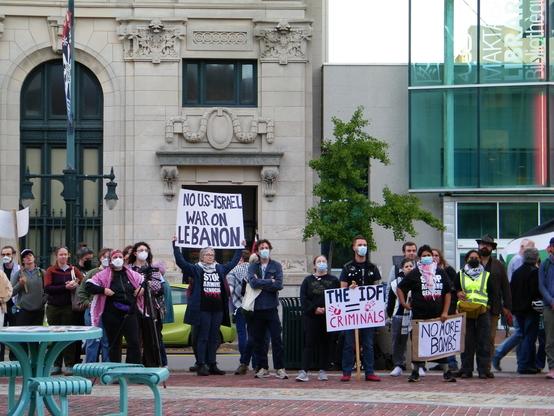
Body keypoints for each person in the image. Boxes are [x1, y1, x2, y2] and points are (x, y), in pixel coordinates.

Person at [173, 236, 243, 376]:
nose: (210, 257)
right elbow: (181, 262)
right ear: (201, 257)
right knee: (203, 337)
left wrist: (240, 248)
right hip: (202, 309)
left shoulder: (220, 269)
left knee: (214, 338)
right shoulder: (196, 269)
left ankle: (212, 363)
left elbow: (233, 262)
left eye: (212, 254)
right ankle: (201, 364)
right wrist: (175, 245)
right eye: (207, 254)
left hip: (217, 309)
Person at [397, 244, 456, 383]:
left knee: (440, 344)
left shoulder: (440, 272)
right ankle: (416, 371)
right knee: (418, 344)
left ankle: (447, 371)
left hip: (438, 316)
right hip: (419, 316)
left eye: (429, 255)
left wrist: (446, 311)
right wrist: (403, 303)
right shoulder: (415, 273)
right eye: (424, 256)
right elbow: (400, 287)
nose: (427, 258)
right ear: (419, 258)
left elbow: (447, 292)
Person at [85, 249, 144, 364]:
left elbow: (144, 282)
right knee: (114, 344)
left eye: (120, 257)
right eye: (115, 257)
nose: (118, 259)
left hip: (130, 313)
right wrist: (104, 290)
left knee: (134, 342)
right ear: (111, 260)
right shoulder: (104, 274)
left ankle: (134, 369)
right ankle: (115, 370)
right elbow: (89, 285)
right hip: (112, 314)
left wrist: (142, 289)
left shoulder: (131, 273)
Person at [339, 235, 382, 382]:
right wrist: (350, 290)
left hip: (368, 313)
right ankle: (346, 371)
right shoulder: (347, 267)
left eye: (365, 244)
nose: (362, 247)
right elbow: (342, 289)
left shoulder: (373, 268)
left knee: (369, 343)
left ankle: (369, 371)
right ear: (354, 247)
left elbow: (377, 289)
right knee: (349, 343)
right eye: (360, 244)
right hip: (352, 312)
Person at [247, 239, 288, 380]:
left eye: (266, 247)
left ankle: (280, 368)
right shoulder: (253, 266)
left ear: (270, 249)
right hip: (257, 308)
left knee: (277, 339)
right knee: (259, 341)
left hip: (271, 307)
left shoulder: (276, 266)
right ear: (257, 251)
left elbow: (278, 284)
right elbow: (252, 283)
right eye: (261, 248)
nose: (264, 250)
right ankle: (262, 367)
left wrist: (262, 283)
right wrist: (268, 281)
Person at [296, 255, 339, 382]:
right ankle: (304, 371)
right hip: (311, 317)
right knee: (309, 343)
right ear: (314, 265)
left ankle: (322, 370)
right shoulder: (307, 281)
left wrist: (328, 309)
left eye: (323, 261)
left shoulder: (333, 280)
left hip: (328, 317)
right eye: (319, 261)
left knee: (326, 343)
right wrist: (314, 309)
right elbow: (303, 298)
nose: (321, 263)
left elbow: (338, 297)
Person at [476, 234, 512, 377]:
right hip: (474, 307)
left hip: (493, 308)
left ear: (492, 248)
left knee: (489, 339)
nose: (485, 246)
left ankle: (486, 367)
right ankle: (473, 367)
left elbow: (505, 287)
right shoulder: (472, 262)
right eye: (483, 244)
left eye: (488, 245)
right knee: (474, 338)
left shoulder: (498, 265)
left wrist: (507, 307)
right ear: (479, 246)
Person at [44, 246, 84, 375]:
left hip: (69, 307)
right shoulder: (51, 270)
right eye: (61, 254)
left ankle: (69, 364)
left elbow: (83, 283)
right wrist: (65, 287)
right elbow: (48, 288)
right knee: (55, 336)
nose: (63, 257)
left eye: (65, 254)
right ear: (56, 256)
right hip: (54, 307)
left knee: (68, 336)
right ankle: (55, 364)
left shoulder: (73, 269)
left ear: (69, 256)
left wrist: (76, 284)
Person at [455, 250, 493, 379]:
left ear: (480, 260)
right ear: (466, 259)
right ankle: (466, 370)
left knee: (483, 342)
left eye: (476, 257)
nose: (474, 259)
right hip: (466, 310)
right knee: (467, 342)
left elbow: (493, 292)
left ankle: (483, 370)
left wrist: (489, 306)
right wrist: (458, 293)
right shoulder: (459, 274)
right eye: (471, 257)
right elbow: (454, 289)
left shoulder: (487, 275)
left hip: (482, 311)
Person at [128, 241, 166, 367]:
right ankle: (133, 367)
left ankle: (150, 366)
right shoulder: (128, 269)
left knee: (151, 339)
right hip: (133, 308)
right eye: (140, 250)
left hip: (150, 307)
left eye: (146, 250)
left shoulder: (153, 269)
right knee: (134, 340)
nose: (143, 252)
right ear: (135, 253)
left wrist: (145, 286)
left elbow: (158, 287)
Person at [77, 247, 111, 363]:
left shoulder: (114, 273)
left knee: (107, 341)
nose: (107, 259)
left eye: (109, 257)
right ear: (100, 258)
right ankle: (90, 367)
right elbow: (81, 292)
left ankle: (107, 368)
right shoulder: (93, 273)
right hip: (92, 312)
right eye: (104, 257)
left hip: (108, 312)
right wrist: (88, 304)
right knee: (92, 340)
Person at [510, 247, 542, 374]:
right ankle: (525, 365)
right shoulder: (535, 272)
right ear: (536, 258)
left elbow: (511, 289)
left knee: (523, 336)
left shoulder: (517, 272)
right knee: (530, 337)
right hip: (531, 309)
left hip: (518, 310)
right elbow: (536, 291)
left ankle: (524, 364)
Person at [226, 249, 255, 375]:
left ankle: (244, 362)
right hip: (253, 306)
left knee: (242, 334)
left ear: (240, 259)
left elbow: (230, 290)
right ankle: (255, 362)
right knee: (253, 334)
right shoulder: (254, 270)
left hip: (239, 307)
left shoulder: (232, 272)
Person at [431, 247, 459, 372]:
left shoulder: (448, 270)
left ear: (440, 257)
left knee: (448, 336)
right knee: (440, 336)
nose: (434, 257)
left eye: (436, 255)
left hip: (449, 307)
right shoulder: (429, 272)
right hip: (437, 307)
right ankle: (442, 362)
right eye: (432, 255)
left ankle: (452, 363)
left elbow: (455, 288)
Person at [387, 258, 414, 377]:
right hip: (398, 315)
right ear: (402, 269)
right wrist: (389, 315)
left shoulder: (419, 280)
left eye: (411, 266)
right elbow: (390, 301)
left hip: (415, 315)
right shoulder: (395, 284)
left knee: (417, 340)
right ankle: (398, 365)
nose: (409, 268)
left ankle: (419, 365)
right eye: (406, 266)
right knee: (398, 342)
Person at [10, 249, 46, 326]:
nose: (28, 257)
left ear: (34, 258)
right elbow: (11, 292)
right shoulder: (18, 274)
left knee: (37, 336)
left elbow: (47, 290)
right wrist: (20, 284)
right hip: (23, 311)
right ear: (22, 261)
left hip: (38, 310)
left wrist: (43, 301)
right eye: (25, 257)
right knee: (23, 336)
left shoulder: (42, 272)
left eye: (30, 255)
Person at [538, 237, 554, 379]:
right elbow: (541, 285)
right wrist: (550, 300)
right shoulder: (545, 263)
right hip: (549, 306)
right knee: (550, 338)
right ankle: (552, 367)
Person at [1, 245, 19, 359]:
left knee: (14, 333)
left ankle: (14, 359)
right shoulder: (0, 270)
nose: (6, 256)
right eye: (3, 254)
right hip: (1, 306)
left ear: (13, 255)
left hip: (14, 305)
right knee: (1, 333)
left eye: (8, 254)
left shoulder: (19, 269)